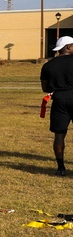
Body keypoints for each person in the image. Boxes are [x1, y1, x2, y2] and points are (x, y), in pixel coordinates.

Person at [41, 36, 73, 176]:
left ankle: (61, 168)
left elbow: (45, 88)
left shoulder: (48, 65)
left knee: (59, 135)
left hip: (59, 99)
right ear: (67, 47)